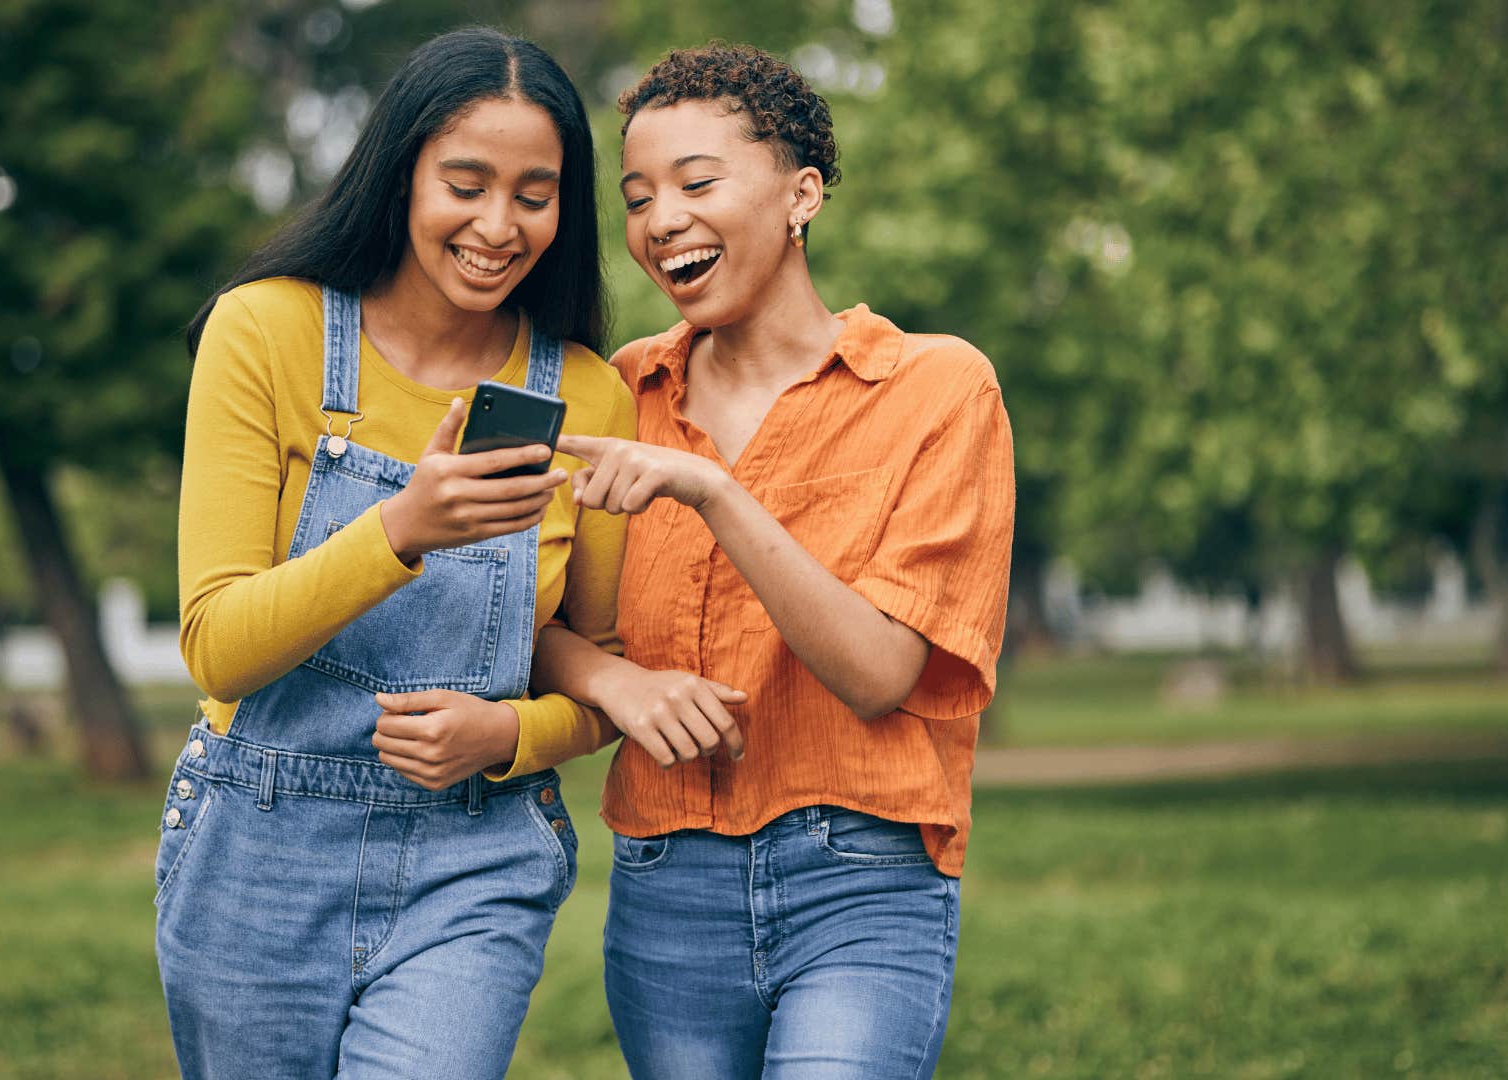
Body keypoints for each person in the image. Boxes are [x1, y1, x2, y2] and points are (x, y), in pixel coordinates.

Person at [154, 28, 637, 1079]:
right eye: (465, 183)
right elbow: (218, 648)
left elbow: (600, 674)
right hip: (257, 852)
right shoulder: (265, 333)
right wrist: (401, 530)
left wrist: (507, 731)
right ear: (399, 171)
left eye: (535, 194)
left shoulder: (593, 398)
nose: (497, 226)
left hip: (475, 857)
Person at [531, 43, 1017, 1078]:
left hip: (862, 879)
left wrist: (712, 492)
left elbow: (882, 674)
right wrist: (615, 681)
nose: (662, 220)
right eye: (638, 196)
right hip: (666, 884)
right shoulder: (619, 394)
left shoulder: (935, 388)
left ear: (801, 196)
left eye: (697, 182)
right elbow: (535, 628)